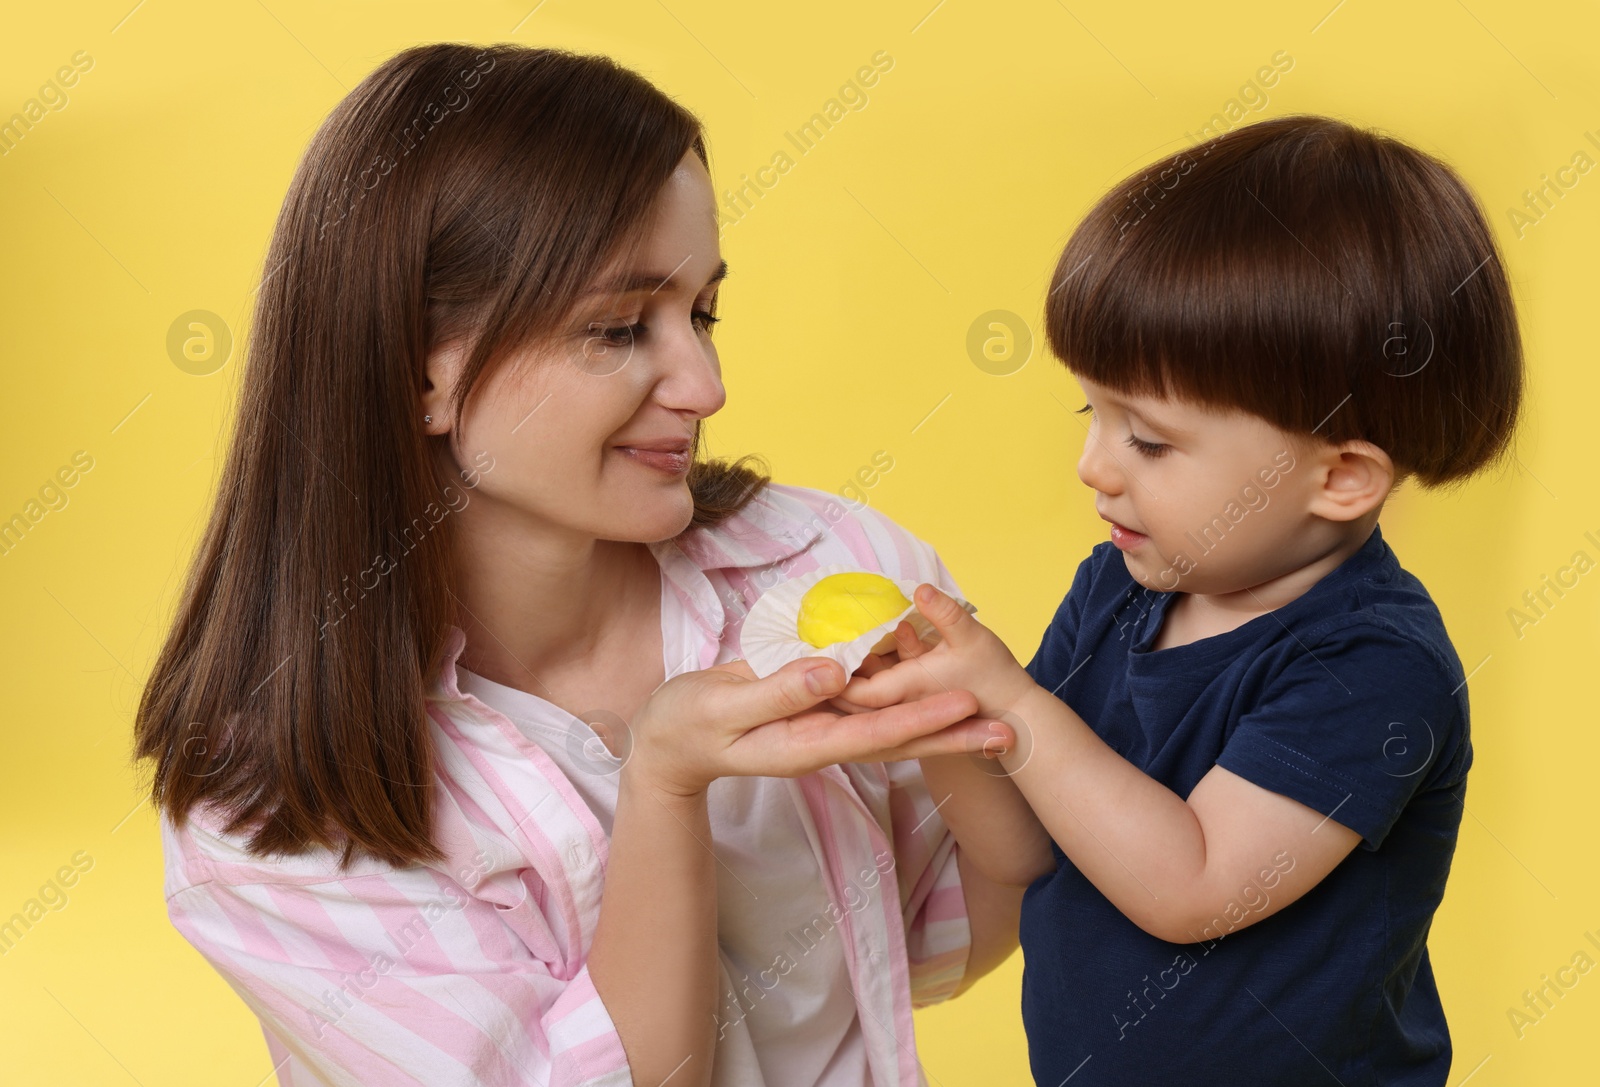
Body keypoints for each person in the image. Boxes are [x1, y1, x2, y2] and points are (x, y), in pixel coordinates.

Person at [134, 42, 1044, 1087]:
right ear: (415, 373)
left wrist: (979, 734)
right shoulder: (266, 804)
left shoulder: (832, 566)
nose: (704, 387)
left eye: (702, 312)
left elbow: (940, 940)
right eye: (617, 327)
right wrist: (663, 783)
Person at [838, 114, 1522, 1084]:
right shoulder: (1120, 586)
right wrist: (943, 715)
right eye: (1092, 413)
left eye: (1147, 440)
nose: (1092, 468)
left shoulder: (1371, 667)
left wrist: (1016, 702)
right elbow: (1028, 843)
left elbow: (1192, 886)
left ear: (1338, 477)